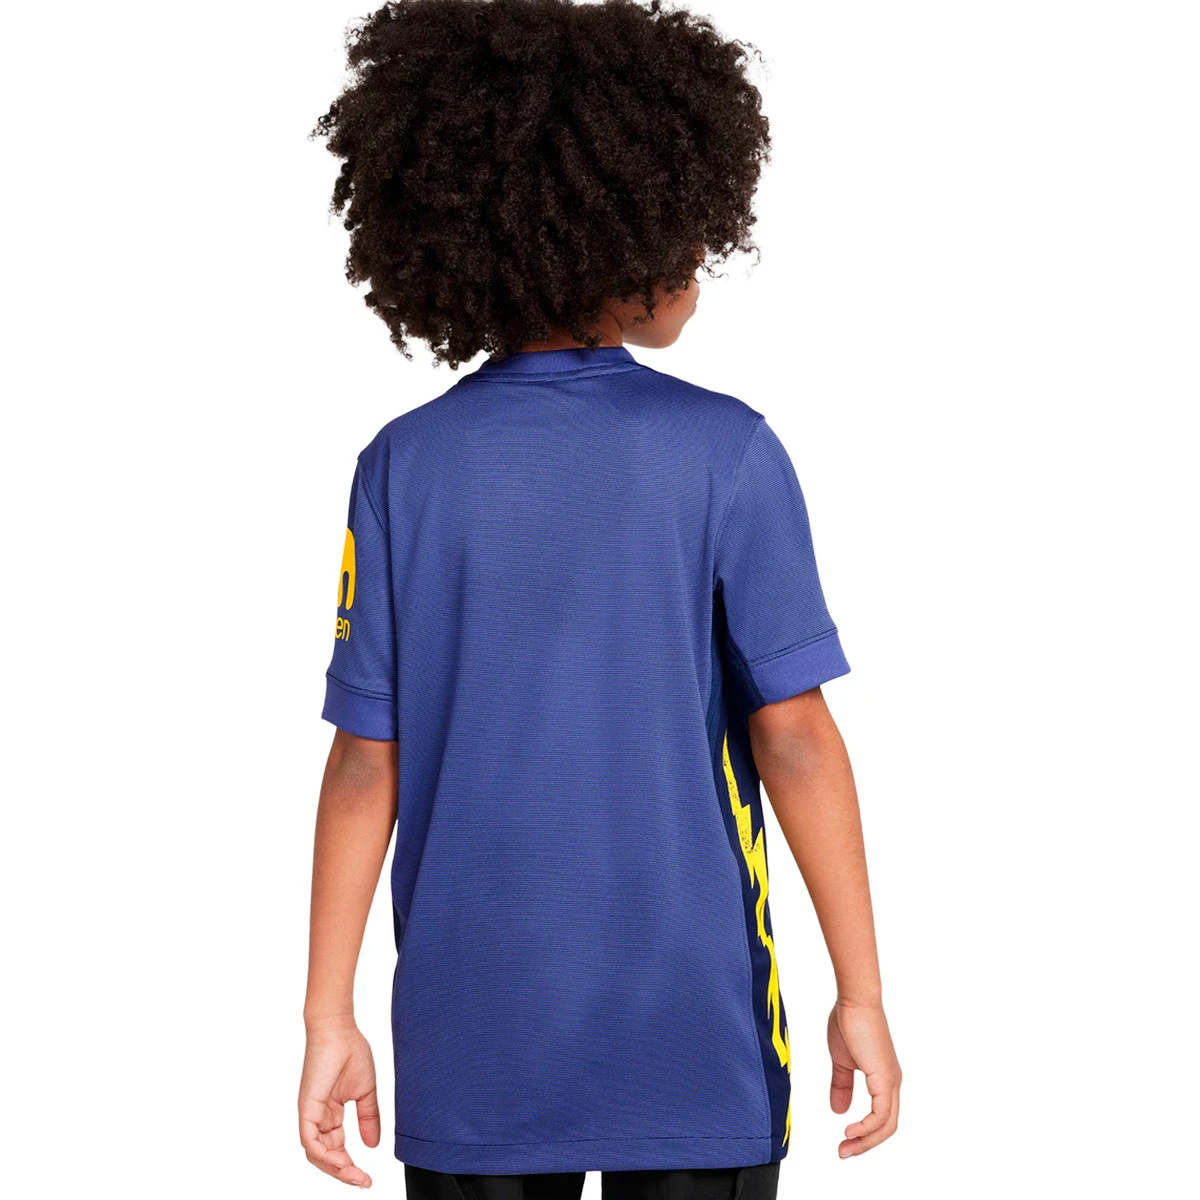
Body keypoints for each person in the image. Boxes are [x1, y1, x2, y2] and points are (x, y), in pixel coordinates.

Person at [299, 2, 901, 1197]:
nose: (702, 257)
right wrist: (862, 995)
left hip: (471, 1034)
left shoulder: (402, 466)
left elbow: (367, 760)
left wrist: (329, 1016)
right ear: (627, 226)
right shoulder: (729, 453)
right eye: (690, 228)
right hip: (694, 1031)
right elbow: (792, 733)